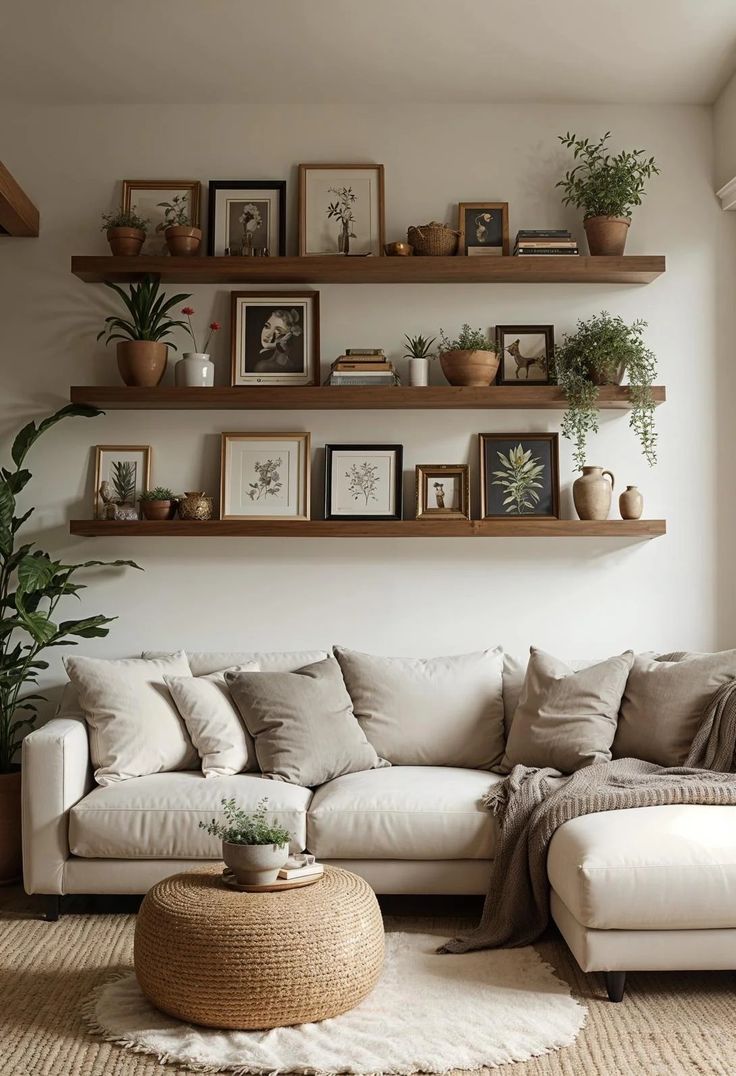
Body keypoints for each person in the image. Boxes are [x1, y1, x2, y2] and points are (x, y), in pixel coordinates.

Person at [253, 308, 304, 373]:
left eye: (278, 330)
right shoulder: (263, 364)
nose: (268, 334)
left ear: (287, 337)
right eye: (267, 326)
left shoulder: (264, 367)